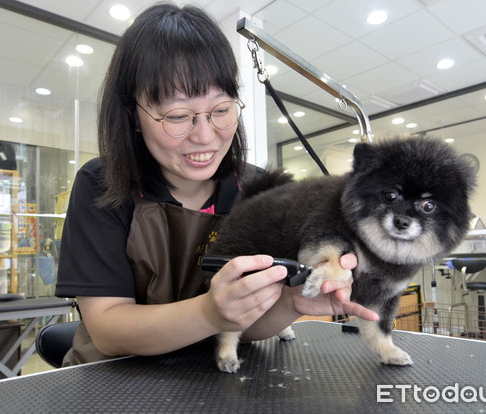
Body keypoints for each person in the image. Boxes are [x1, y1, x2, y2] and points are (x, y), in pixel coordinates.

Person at [55, 2, 377, 366]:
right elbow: (107, 329)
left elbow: (248, 323)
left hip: (215, 378)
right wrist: (208, 312)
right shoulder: (100, 184)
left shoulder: (258, 189)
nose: (206, 137)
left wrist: (291, 303)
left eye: (221, 110)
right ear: (133, 114)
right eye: (178, 116)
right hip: (112, 382)